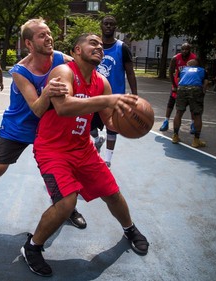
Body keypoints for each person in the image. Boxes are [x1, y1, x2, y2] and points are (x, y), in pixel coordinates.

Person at [21, 33, 149, 277]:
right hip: (53, 149)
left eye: (101, 45)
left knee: (112, 193)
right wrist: (107, 99)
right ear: (77, 49)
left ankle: (130, 229)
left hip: (83, 149)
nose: (99, 47)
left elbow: (109, 120)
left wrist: (131, 121)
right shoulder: (63, 72)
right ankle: (33, 247)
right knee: (66, 202)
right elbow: (64, 106)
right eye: (93, 43)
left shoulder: (103, 82)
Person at [0, 19, 87, 229]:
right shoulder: (20, 71)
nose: (49, 37)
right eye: (42, 35)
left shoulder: (60, 58)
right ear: (29, 44)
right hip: (19, 125)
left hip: (49, 127)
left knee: (63, 169)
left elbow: (84, 68)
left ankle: (68, 207)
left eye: (49, 33)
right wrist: (49, 91)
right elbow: (37, 108)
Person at [90, 15, 137, 167]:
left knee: (113, 128)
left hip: (115, 96)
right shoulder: (94, 46)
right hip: (94, 95)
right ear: (101, 26)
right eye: (106, 24)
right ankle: (97, 139)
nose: (109, 26)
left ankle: (108, 160)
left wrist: (135, 95)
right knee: (89, 126)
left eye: (111, 24)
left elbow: (130, 72)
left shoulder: (122, 47)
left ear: (115, 27)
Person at [159, 43, 196, 133]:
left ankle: (193, 123)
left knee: (193, 105)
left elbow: (197, 72)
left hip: (190, 85)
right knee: (171, 102)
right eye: (182, 49)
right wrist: (174, 86)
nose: (184, 51)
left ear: (189, 50)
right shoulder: (175, 58)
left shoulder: (194, 58)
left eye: (186, 49)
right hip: (178, 84)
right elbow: (170, 72)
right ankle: (166, 121)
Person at [171, 58, 208, 148]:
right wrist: (203, 92)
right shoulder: (202, 70)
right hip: (195, 88)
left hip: (182, 88)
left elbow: (179, 80)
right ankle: (196, 140)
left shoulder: (183, 69)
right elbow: (206, 82)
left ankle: (175, 136)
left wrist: (178, 89)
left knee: (179, 113)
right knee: (197, 115)